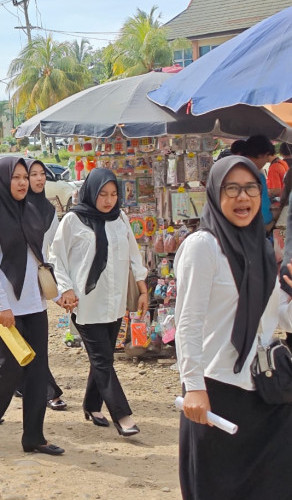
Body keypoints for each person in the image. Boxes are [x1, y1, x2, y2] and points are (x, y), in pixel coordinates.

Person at [174, 155, 292, 499]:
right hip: (218, 390)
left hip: (266, 391)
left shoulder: (262, 247)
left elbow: (275, 319)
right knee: (216, 488)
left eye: (251, 188)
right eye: (232, 189)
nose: (243, 198)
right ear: (215, 194)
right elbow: (188, 321)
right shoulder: (203, 246)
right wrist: (193, 385)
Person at [0, 156, 64, 455]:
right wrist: (3, 305)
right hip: (0, 307)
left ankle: (34, 437)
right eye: (17, 177)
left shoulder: (30, 211)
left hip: (33, 303)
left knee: (38, 372)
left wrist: (57, 292)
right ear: (1, 179)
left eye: (26, 177)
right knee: (10, 366)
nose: (23, 182)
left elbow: (40, 256)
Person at [50, 168, 147, 436]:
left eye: (114, 194)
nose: (108, 200)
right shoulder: (73, 220)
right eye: (103, 194)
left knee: (102, 358)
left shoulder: (120, 218)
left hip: (113, 301)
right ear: (91, 192)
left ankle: (92, 405)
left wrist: (142, 288)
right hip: (85, 301)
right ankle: (123, 416)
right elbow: (56, 257)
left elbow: (134, 254)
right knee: (103, 360)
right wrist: (65, 289)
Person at [24, 159, 67, 412]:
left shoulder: (49, 211)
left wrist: (57, 288)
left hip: (36, 283)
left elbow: (50, 252)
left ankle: (48, 391)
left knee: (37, 342)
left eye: (43, 174)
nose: (39, 179)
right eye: (33, 174)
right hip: (11, 284)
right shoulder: (12, 208)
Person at [241, 135, 276, 228]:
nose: (267, 161)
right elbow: (263, 212)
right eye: (267, 157)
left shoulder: (235, 171)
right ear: (262, 155)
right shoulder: (256, 176)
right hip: (257, 230)